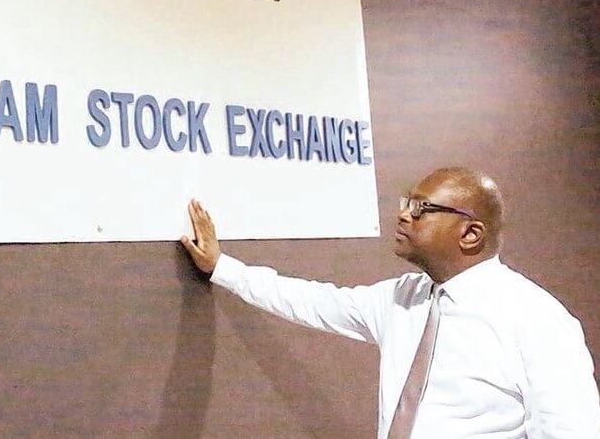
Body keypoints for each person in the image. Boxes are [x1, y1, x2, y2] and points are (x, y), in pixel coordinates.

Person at [180, 166, 600, 438]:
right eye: (406, 204)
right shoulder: (403, 298)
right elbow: (311, 301)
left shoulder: (536, 320)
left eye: (422, 209)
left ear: (471, 234)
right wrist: (221, 267)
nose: (403, 215)